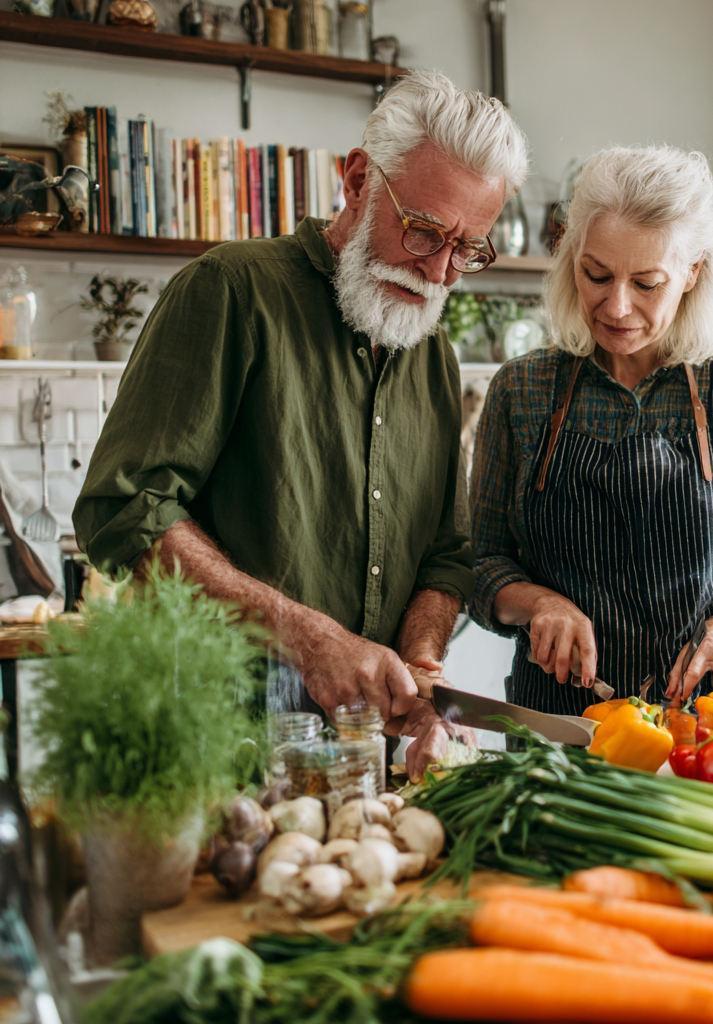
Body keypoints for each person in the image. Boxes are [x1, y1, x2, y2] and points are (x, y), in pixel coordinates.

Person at [73, 70, 530, 779]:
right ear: (356, 180)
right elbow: (125, 508)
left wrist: (418, 669)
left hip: (364, 761)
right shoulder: (230, 290)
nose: (439, 272)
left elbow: (444, 551)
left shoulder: (434, 352)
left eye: (467, 249)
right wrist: (309, 639)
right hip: (215, 746)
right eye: (423, 231)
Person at [470, 145, 713, 712]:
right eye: (597, 274)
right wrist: (538, 604)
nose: (617, 306)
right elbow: (483, 563)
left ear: (692, 273)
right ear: (570, 256)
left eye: (647, 283)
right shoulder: (522, 389)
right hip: (565, 727)